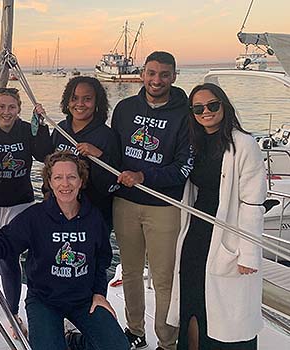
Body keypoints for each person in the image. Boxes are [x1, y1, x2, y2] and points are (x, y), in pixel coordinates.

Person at [0, 151, 129, 350]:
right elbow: (7, 239)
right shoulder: (36, 216)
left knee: (118, 346)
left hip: (84, 299)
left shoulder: (94, 219)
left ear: (81, 181)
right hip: (44, 300)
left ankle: (76, 342)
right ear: (50, 182)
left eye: (72, 177)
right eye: (58, 177)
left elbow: (102, 259)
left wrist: (99, 293)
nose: (65, 184)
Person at [167, 83, 265, 350]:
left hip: (228, 235)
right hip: (196, 234)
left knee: (227, 313)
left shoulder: (244, 144)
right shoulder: (194, 144)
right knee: (193, 302)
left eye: (212, 105)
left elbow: (253, 203)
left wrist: (248, 253)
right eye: (198, 108)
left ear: (224, 105)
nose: (206, 112)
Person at [110, 51, 194, 350]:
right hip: (126, 203)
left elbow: (185, 166)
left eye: (164, 74)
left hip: (164, 206)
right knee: (130, 271)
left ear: (174, 76)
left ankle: (167, 342)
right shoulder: (124, 108)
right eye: (151, 73)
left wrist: (144, 176)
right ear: (142, 73)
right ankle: (135, 330)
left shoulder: (184, 114)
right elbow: (114, 152)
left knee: (164, 279)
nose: (156, 80)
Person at [0, 87, 53, 337]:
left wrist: (42, 124)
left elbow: (42, 154)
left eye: (11, 107)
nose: (6, 112)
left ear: (18, 109)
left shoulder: (27, 129)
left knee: (10, 259)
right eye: (2, 107)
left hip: (19, 202)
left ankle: (13, 313)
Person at [37, 76, 120, 226]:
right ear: (67, 101)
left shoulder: (106, 136)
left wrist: (98, 155)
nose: (80, 104)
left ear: (96, 103)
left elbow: (111, 183)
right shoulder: (61, 129)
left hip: (93, 214)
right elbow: (47, 163)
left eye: (87, 99)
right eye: (74, 98)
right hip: (58, 210)